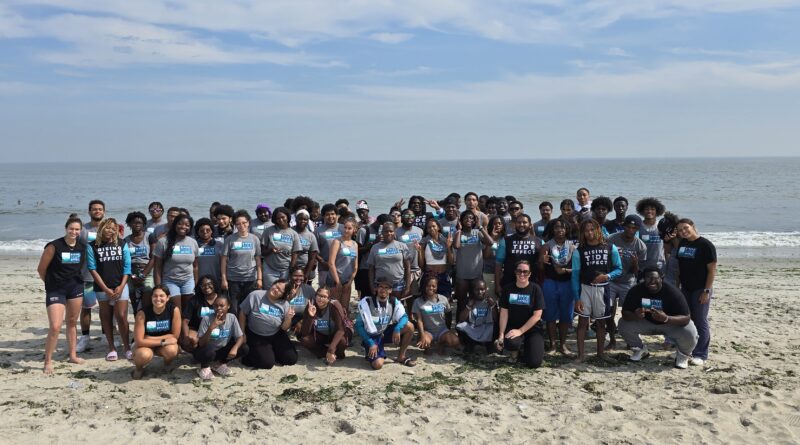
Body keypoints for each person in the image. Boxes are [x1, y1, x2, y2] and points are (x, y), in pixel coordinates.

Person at [618, 268, 698, 369]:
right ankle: (640, 350)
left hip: (670, 323)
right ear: (643, 279)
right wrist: (635, 315)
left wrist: (666, 318)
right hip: (646, 322)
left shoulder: (672, 292)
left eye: (655, 278)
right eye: (648, 278)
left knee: (689, 330)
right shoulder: (636, 290)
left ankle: (683, 355)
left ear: (661, 278)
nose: (652, 281)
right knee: (623, 324)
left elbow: (686, 318)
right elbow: (625, 313)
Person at [38, 216, 87, 374]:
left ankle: (73, 355)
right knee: (55, 326)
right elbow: (41, 269)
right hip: (56, 289)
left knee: (72, 322)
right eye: (71, 228)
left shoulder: (82, 247)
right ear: (66, 228)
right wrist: (50, 284)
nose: (74, 232)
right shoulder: (54, 246)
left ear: (80, 231)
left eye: (77, 229)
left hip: (75, 288)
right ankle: (48, 361)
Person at [571, 219, 622, 362]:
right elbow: (575, 276)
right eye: (586, 230)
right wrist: (577, 298)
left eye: (592, 229)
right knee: (582, 322)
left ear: (598, 230)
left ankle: (601, 353)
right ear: (582, 233)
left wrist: (607, 276)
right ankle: (581, 355)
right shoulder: (578, 251)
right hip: (585, 289)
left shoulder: (610, 247)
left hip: (603, 289)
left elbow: (619, 269)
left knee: (601, 322)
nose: (589, 233)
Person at [87, 218, 133, 361]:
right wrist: (106, 289)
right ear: (101, 228)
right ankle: (111, 348)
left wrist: (121, 286)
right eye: (107, 228)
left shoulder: (122, 244)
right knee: (106, 317)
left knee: (121, 316)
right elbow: (92, 269)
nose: (110, 231)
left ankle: (127, 348)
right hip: (102, 288)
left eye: (113, 228)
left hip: (120, 286)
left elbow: (127, 267)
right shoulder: (92, 246)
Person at [675, 218, 717, 366]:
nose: (683, 231)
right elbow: (680, 268)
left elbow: (712, 270)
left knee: (700, 320)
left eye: (686, 228)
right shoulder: (683, 243)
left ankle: (701, 354)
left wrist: (706, 291)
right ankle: (689, 349)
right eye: (680, 230)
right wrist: (678, 287)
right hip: (686, 288)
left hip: (701, 288)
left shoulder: (705, 245)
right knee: (686, 319)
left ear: (693, 227)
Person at [355, 278, 416, 369]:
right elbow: (358, 325)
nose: (383, 290)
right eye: (381, 287)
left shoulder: (393, 301)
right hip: (372, 336)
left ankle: (401, 356)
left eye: (386, 287)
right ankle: (373, 350)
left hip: (384, 332)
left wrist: (397, 328)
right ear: (376, 288)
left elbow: (404, 317)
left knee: (409, 326)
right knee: (378, 365)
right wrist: (370, 343)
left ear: (390, 290)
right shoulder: (367, 302)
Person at [606, 215, 647, 350]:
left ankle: (630, 340)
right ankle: (612, 340)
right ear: (623, 226)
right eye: (628, 227)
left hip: (628, 282)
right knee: (608, 311)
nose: (630, 230)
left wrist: (635, 264)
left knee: (628, 313)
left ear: (638, 229)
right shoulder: (611, 239)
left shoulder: (640, 246)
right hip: (611, 280)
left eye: (634, 228)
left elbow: (637, 272)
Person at [496, 260, 545, 368]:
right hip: (513, 326)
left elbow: (537, 316)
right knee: (511, 343)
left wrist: (521, 331)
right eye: (519, 271)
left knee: (534, 363)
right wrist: (501, 334)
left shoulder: (536, 289)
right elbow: (504, 313)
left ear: (530, 274)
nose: (522, 274)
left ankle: (526, 348)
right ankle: (515, 351)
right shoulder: (508, 289)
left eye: (525, 271)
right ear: (515, 272)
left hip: (532, 329)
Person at [238, 280, 298, 369]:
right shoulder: (255, 295)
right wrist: (242, 333)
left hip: (276, 333)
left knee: (291, 359)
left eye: (280, 290)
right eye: (276, 286)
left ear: (283, 294)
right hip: (256, 335)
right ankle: (248, 356)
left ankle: (271, 351)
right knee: (267, 363)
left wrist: (288, 318)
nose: (276, 290)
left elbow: (284, 328)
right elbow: (242, 313)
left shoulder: (285, 304)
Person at [538, 218, 576, 355]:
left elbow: (577, 269)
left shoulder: (572, 247)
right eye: (557, 227)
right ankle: (553, 345)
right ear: (552, 230)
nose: (560, 230)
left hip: (567, 284)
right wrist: (542, 261)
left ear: (567, 230)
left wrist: (564, 270)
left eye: (563, 227)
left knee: (566, 315)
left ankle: (563, 344)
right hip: (550, 283)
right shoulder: (546, 246)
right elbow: (540, 269)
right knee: (550, 315)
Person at [132, 285, 181, 379]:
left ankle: (167, 364)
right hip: (144, 345)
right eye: (155, 296)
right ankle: (139, 368)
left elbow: (175, 336)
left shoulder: (174, 310)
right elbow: (139, 341)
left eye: (161, 296)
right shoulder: (142, 313)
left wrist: (149, 338)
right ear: (151, 297)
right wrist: (163, 341)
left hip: (158, 343)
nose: (158, 299)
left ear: (168, 298)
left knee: (172, 350)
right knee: (144, 355)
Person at [194, 294, 247, 380]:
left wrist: (235, 348)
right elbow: (201, 344)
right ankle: (204, 367)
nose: (218, 308)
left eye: (222, 306)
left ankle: (219, 364)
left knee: (244, 348)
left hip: (221, 350)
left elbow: (240, 337)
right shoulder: (207, 319)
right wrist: (211, 328)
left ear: (228, 306)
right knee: (209, 350)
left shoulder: (232, 318)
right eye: (216, 306)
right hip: (205, 352)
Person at [76, 199, 105, 353]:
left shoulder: (109, 228)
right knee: (86, 307)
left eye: (100, 209)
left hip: (106, 275)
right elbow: (75, 249)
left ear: (104, 211)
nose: (97, 211)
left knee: (106, 308)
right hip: (87, 276)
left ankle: (106, 335)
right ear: (89, 212)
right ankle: (85, 337)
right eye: (94, 209)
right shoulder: (82, 230)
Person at [153, 214, 199, 309]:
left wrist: (196, 283)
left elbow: (195, 266)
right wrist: (158, 287)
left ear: (190, 228)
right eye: (180, 224)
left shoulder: (193, 242)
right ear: (175, 225)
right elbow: (157, 267)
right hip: (170, 281)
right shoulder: (163, 242)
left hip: (188, 281)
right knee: (176, 310)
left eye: (187, 225)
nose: (183, 227)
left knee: (188, 311)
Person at [221, 210, 263, 311]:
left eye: (244, 223)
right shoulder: (229, 239)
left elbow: (258, 260)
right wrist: (224, 279)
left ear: (248, 223)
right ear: (235, 225)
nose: (241, 226)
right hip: (233, 279)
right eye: (238, 224)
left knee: (248, 308)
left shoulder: (255, 239)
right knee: (234, 308)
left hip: (250, 279)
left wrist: (259, 279)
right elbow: (223, 260)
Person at [298, 288, 353, 365]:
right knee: (305, 340)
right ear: (315, 296)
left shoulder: (334, 306)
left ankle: (335, 353)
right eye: (319, 295)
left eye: (324, 297)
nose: (321, 299)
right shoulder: (311, 305)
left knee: (342, 341)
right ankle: (328, 354)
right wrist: (311, 316)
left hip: (335, 333)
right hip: (320, 334)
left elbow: (341, 330)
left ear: (329, 299)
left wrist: (331, 348)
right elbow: (304, 333)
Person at [453, 210, 493, 315]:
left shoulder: (477, 233)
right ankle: (460, 323)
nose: (469, 219)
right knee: (461, 302)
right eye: (466, 218)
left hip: (476, 274)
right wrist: (459, 230)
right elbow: (456, 246)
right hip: (462, 275)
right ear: (461, 220)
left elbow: (490, 242)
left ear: (475, 221)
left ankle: (473, 322)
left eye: (471, 218)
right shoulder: (458, 233)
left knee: (475, 301)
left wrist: (480, 227)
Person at [495, 213, 539, 298]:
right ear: (515, 224)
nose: (521, 224)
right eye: (519, 222)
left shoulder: (539, 241)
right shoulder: (505, 240)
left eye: (524, 222)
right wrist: (497, 285)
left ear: (530, 225)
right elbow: (498, 264)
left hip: (531, 284)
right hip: (509, 283)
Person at [413, 276, 460, 354]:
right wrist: (422, 335)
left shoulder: (443, 299)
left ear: (437, 287)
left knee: (455, 341)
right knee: (423, 344)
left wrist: (448, 330)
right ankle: (429, 345)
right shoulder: (418, 301)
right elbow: (419, 320)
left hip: (442, 330)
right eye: (428, 286)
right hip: (428, 331)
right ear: (424, 286)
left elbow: (448, 314)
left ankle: (441, 343)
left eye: (433, 286)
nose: (431, 288)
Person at [367, 222, 412, 300]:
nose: (388, 233)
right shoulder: (375, 247)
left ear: (394, 232)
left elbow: (408, 267)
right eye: (386, 231)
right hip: (380, 285)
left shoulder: (402, 246)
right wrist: (371, 286)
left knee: (396, 306)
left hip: (398, 285)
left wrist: (407, 287)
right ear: (382, 232)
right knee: (381, 306)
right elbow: (371, 269)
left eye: (391, 231)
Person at [261, 207, 301, 287]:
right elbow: (262, 252)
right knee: (270, 290)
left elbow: (295, 253)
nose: (281, 220)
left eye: (283, 217)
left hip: (285, 269)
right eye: (278, 218)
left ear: (287, 217)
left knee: (283, 290)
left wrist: (292, 268)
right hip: (270, 268)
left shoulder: (294, 234)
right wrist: (271, 250)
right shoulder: (268, 231)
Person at [455, 279, 497, 354]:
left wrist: (493, 306)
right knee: (461, 326)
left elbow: (496, 319)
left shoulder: (490, 301)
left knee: (495, 326)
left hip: (486, 329)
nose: (480, 292)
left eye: (482, 289)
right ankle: (469, 345)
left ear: (486, 290)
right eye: (477, 290)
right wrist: (468, 306)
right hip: (473, 328)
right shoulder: (468, 301)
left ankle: (489, 345)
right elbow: (461, 319)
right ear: (473, 291)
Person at [180, 275, 220, 352]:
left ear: (214, 284)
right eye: (203, 285)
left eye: (209, 284)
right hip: (198, 330)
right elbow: (185, 321)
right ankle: (196, 353)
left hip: (218, 330)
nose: (206, 287)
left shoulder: (222, 299)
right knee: (191, 339)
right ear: (199, 287)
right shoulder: (194, 300)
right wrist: (186, 336)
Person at [327, 217, 359, 313]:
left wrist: (350, 282)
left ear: (354, 230)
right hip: (335, 280)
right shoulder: (337, 242)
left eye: (349, 228)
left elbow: (355, 266)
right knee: (334, 308)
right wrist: (338, 282)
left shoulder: (355, 244)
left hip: (347, 281)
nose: (346, 230)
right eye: (345, 227)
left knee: (345, 308)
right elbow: (331, 263)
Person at [124, 211, 153, 313]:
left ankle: (145, 320)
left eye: (139, 222)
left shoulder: (149, 237)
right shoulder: (126, 240)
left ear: (144, 224)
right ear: (129, 224)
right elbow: (125, 260)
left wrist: (142, 275)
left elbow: (153, 258)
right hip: (131, 272)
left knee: (147, 297)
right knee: (134, 301)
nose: (136, 224)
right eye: (134, 222)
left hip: (147, 271)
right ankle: (137, 320)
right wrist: (132, 275)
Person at [419, 217, 453, 300]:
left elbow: (451, 262)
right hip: (429, 276)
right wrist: (419, 251)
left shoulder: (446, 241)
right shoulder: (424, 242)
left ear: (438, 227)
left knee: (445, 300)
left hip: (443, 276)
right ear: (427, 230)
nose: (431, 228)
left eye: (433, 226)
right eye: (429, 227)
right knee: (428, 301)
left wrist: (448, 247)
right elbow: (421, 265)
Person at [355, 214, 387, 299]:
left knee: (378, 294)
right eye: (383, 226)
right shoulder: (364, 230)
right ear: (378, 222)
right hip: (365, 268)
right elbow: (357, 250)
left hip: (380, 268)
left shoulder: (385, 232)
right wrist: (373, 243)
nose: (384, 229)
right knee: (366, 295)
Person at [395, 209, 424, 300]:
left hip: (416, 269)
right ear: (402, 218)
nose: (409, 218)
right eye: (407, 216)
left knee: (413, 297)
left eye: (412, 216)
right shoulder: (396, 232)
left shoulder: (420, 231)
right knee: (401, 298)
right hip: (402, 270)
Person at [315, 203, 344, 287]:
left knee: (340, 290)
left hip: (341, 267)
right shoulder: (318, 231)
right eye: (327, 214)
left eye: (332, 214)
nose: (330, 216)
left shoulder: (343, 228)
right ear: (323, 216)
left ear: (337, 215)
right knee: (324, 291)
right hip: (325, 268)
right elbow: (314, 251)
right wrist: (323, 262)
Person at [636, 197, 667, 272]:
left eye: (652, 209)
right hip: (642, 267)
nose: (649, 211)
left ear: (657, 211)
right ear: (642, 211)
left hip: (660, 266)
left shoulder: (662, 225)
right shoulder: (638, 227)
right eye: (646, 209)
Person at [286, 266, 316, 332]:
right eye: (295, 276)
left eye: (301, 276)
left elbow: (315, 306)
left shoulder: (309, 289)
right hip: (287, 318)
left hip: (302, 318)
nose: (298, 278)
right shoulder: (284, 288)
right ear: (290, 276)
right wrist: (290, 297)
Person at [194, 218, 222, 286]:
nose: (205, 232)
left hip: (216, 282)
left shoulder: (220, 244)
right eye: (201, 230)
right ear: (197, 232)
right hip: (199, 283)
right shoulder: (194, 245)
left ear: (212, 231)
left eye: (208, 230)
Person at [293, 209, 319, 282]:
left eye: (305, 219)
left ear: (308, 221)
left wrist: (306, 274)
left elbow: (312, 257)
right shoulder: (290, 232)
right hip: (290, 268)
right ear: (296, 219)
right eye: (300, 219)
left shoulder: (311, 236)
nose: (302, 221)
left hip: (306, 268)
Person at [483, 215, 505, 299]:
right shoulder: (486, 238)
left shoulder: (506, 239)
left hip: (503, 274)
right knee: (490, 299)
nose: (497, 225)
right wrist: (491, 238)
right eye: (495, 223)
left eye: (500, 223)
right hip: (489, 273)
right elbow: (486, 256)